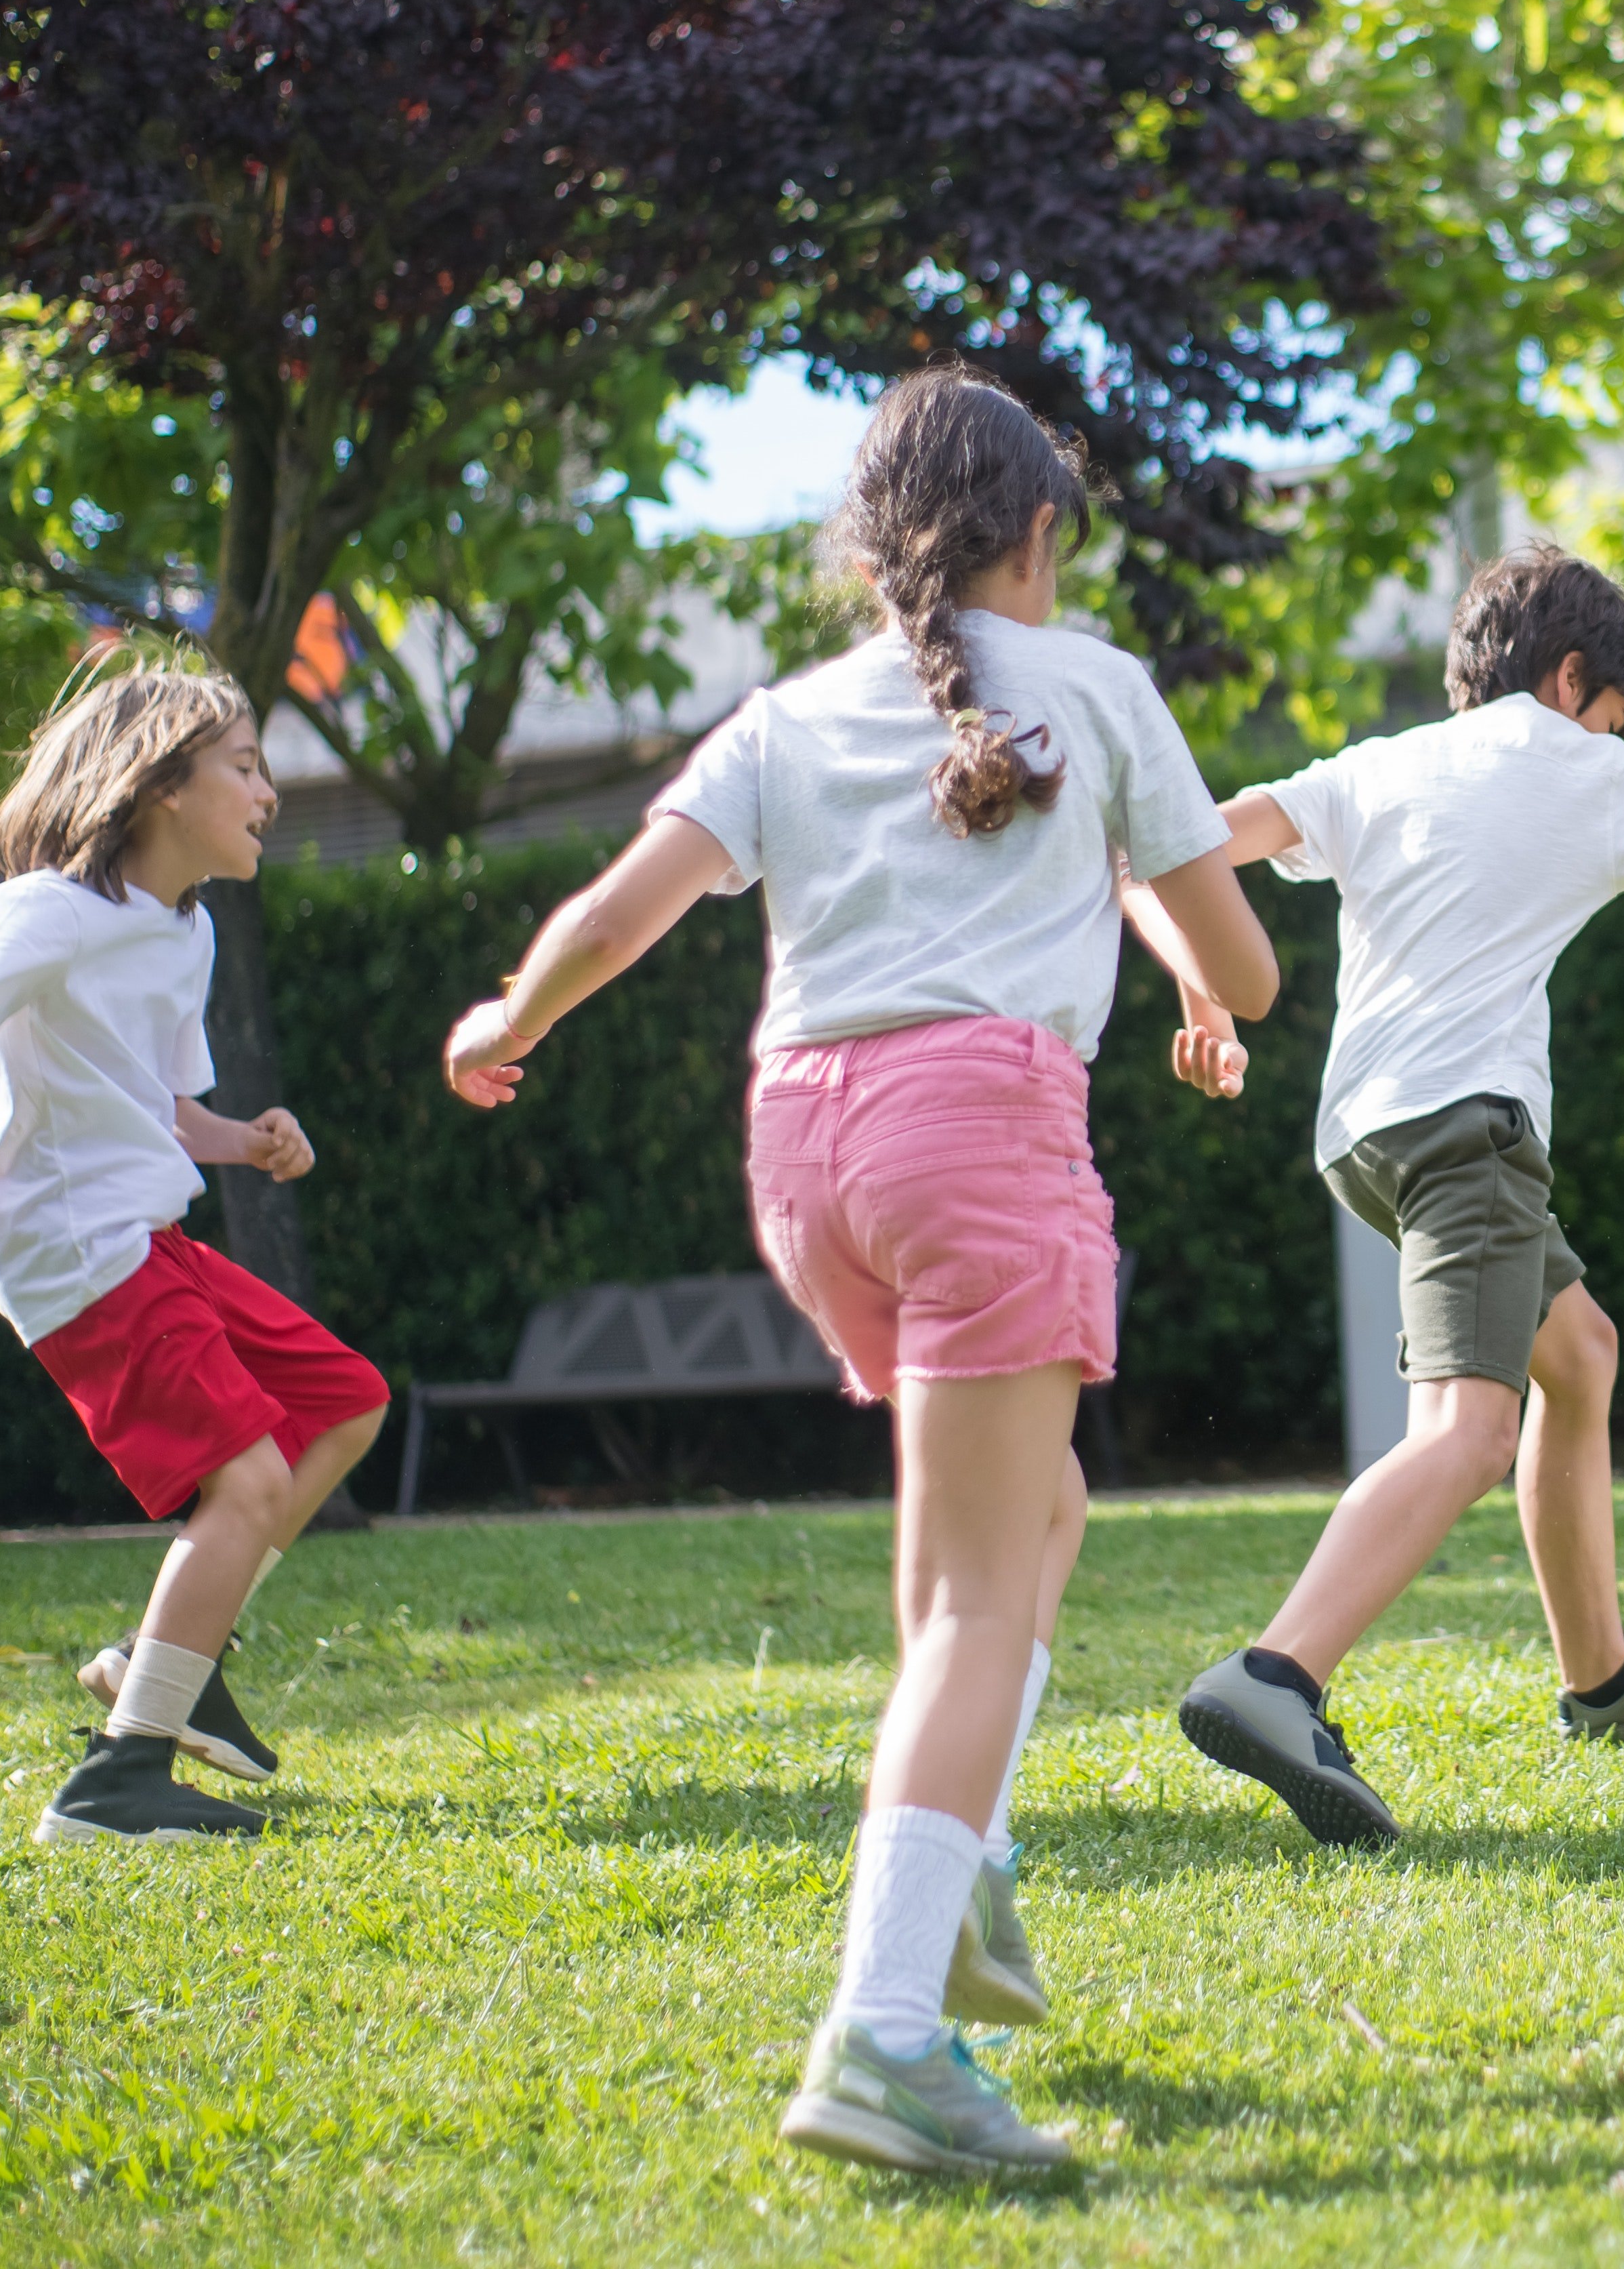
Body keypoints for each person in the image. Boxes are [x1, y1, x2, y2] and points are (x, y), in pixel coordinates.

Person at [442, 364, 1274, 2180]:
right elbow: (1250, 966)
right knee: (992, 1588)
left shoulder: (794, 711)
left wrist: (507, 1018)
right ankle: (889, 2034)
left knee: (1017, 1517)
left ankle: (958, 1865)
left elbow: (621, 912)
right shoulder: (1101, 689)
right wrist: (1211, 980)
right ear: (1041, 534)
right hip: (980, 1136)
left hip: (807, 1156)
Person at [1157, 546, 1624, 1848]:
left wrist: (1204, 993)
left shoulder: (1378, 763)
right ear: (1574, 676)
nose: (1614, 740)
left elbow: (1194, 849)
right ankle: (1275, 1676)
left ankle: (1603, 1681)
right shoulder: (1587, 764)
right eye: (1614, 715)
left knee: (1579, 1353)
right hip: (1469, 1129)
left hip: (1363, 1134)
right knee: (1469, 1433)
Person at [0, 657, 383, 1847]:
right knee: (253, 1480)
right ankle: (116, 1785)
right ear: (163, 782)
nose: (271, 791)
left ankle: (171, 1661)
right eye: (247, 766)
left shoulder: (187, 932)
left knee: (344, 1401)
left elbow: (164, 1110)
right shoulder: (38, 913)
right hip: (80, 1258)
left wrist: (248, 1141)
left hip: (151, 1237)